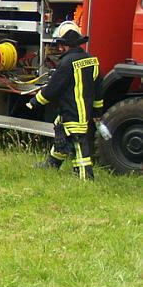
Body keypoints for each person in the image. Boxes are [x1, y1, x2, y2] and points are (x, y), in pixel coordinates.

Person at [28, 21, 103, 180]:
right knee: (62, 133)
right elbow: (98, 89)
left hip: (72, 111)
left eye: (61, 44)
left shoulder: (66, 63)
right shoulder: (92, 60)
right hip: (83, 111)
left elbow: (53, 88)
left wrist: (35, 101)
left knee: (78, 142)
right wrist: (97, 111)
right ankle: (52, 163)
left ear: (66, 44)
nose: (59, 48)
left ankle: (85, 176)